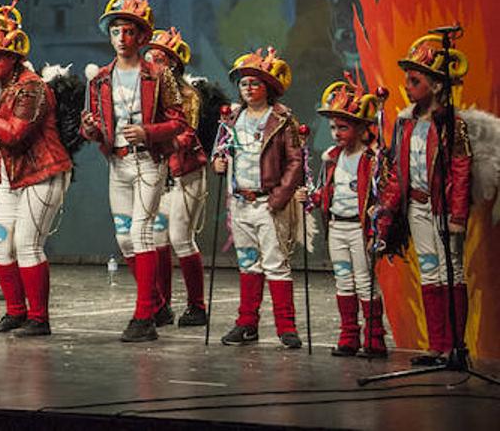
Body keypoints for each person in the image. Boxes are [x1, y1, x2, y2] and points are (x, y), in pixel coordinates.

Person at [0, 4, 71, 337]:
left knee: (27, 244)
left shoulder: (31, 87)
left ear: (15, 58)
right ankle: (15, 312)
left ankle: (39, 318)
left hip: (41, 173)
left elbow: (15, 135)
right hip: (8, 178)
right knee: (0, 244)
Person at [80, 0, 185, 342]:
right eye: (116, 31)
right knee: (124, 239)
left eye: (128, 32)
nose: (122, 38)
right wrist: (91, 130)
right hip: (118, 165)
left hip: (149, 164)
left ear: (141, 36)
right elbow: (91, 125)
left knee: (141, 234)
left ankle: (144, 318)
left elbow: (179, 122)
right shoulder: (100, 79)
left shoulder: (158, 75)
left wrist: (148, 131)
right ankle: (156, 303)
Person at [373, 33, 472, 366]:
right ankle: (438, 345)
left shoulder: (451, 124)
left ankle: (456, 348)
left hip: (442, 208)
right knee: (429, 272)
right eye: (408, 80)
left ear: (437, 86)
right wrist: (386, 208)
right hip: (416, 207)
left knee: (451, 271)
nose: (408, 86)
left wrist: (458, 214)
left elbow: (461, 169)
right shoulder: (404, 122)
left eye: (415, 81)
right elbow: (398, 170)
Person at [210, 47, 305, 348]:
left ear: (268, 87)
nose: (248, 89)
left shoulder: (281, 120)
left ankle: (286, 327)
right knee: (248, 263)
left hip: (268, 203)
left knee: (276, 264)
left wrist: (278, 198)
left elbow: (296, 161)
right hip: (240, 202)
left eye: (254, 83)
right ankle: (247, 323)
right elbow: (220, 151)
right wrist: (218, 163)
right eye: (243, 84)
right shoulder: (232, 118)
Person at [302, 77, 388, 357]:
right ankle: (348, 335)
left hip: (359, 229)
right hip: (337, 227)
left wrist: (378, 212)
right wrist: (313, 198)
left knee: (364, 281)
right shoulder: (333, 158)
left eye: (343, 127)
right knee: (343, 280)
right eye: (333, 127)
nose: (337, 133)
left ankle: (374, 338)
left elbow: (379, 192)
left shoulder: (370, 159)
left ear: (362, 128)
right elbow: (330, 192)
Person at [141, 27, 209, 327]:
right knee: (157, 239)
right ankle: (161, 305)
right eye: (150, 57)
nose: (152, 62)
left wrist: (155, 140)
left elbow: (185, 133)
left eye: (159, 58)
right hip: (158, 172)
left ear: (171, 65)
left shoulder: (187, 95)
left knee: (181, 238)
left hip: (184, 171)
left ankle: (197, 306)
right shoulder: (143, 94)